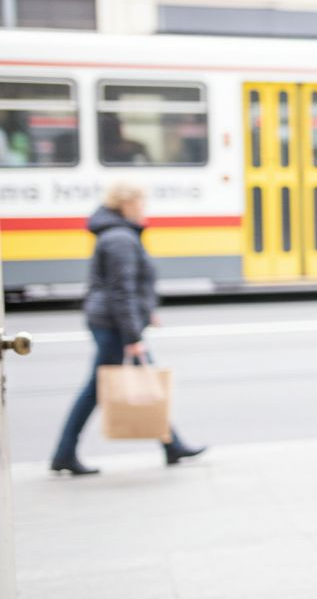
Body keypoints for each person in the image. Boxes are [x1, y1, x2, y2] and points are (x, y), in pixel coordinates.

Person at [51, 182, 206, 476]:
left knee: (143, 380)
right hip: (113, 324)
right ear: (127, 205)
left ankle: (172, 445)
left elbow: (130, 288)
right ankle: (64, 453)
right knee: (97, 389)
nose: (144, 209)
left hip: (113, 321)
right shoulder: (120, 238)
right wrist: (133, 337)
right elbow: (121, 291)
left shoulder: (117, 234)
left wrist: (147, 312)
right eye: (141, 203)